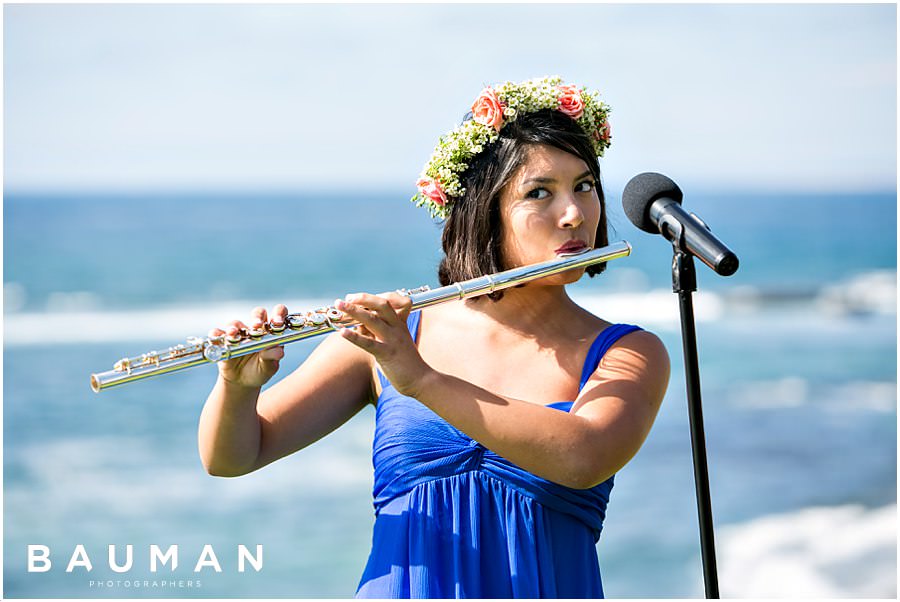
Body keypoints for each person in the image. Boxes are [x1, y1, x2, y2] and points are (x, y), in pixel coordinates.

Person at [198, 76, 670, 598]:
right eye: (539, 193)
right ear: (483, 209)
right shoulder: (395, 336)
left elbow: (583, 458)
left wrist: (419, 378)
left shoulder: (628, 351)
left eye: (584, 185)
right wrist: (238, 388)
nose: (574, 214)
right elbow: (232, 458)